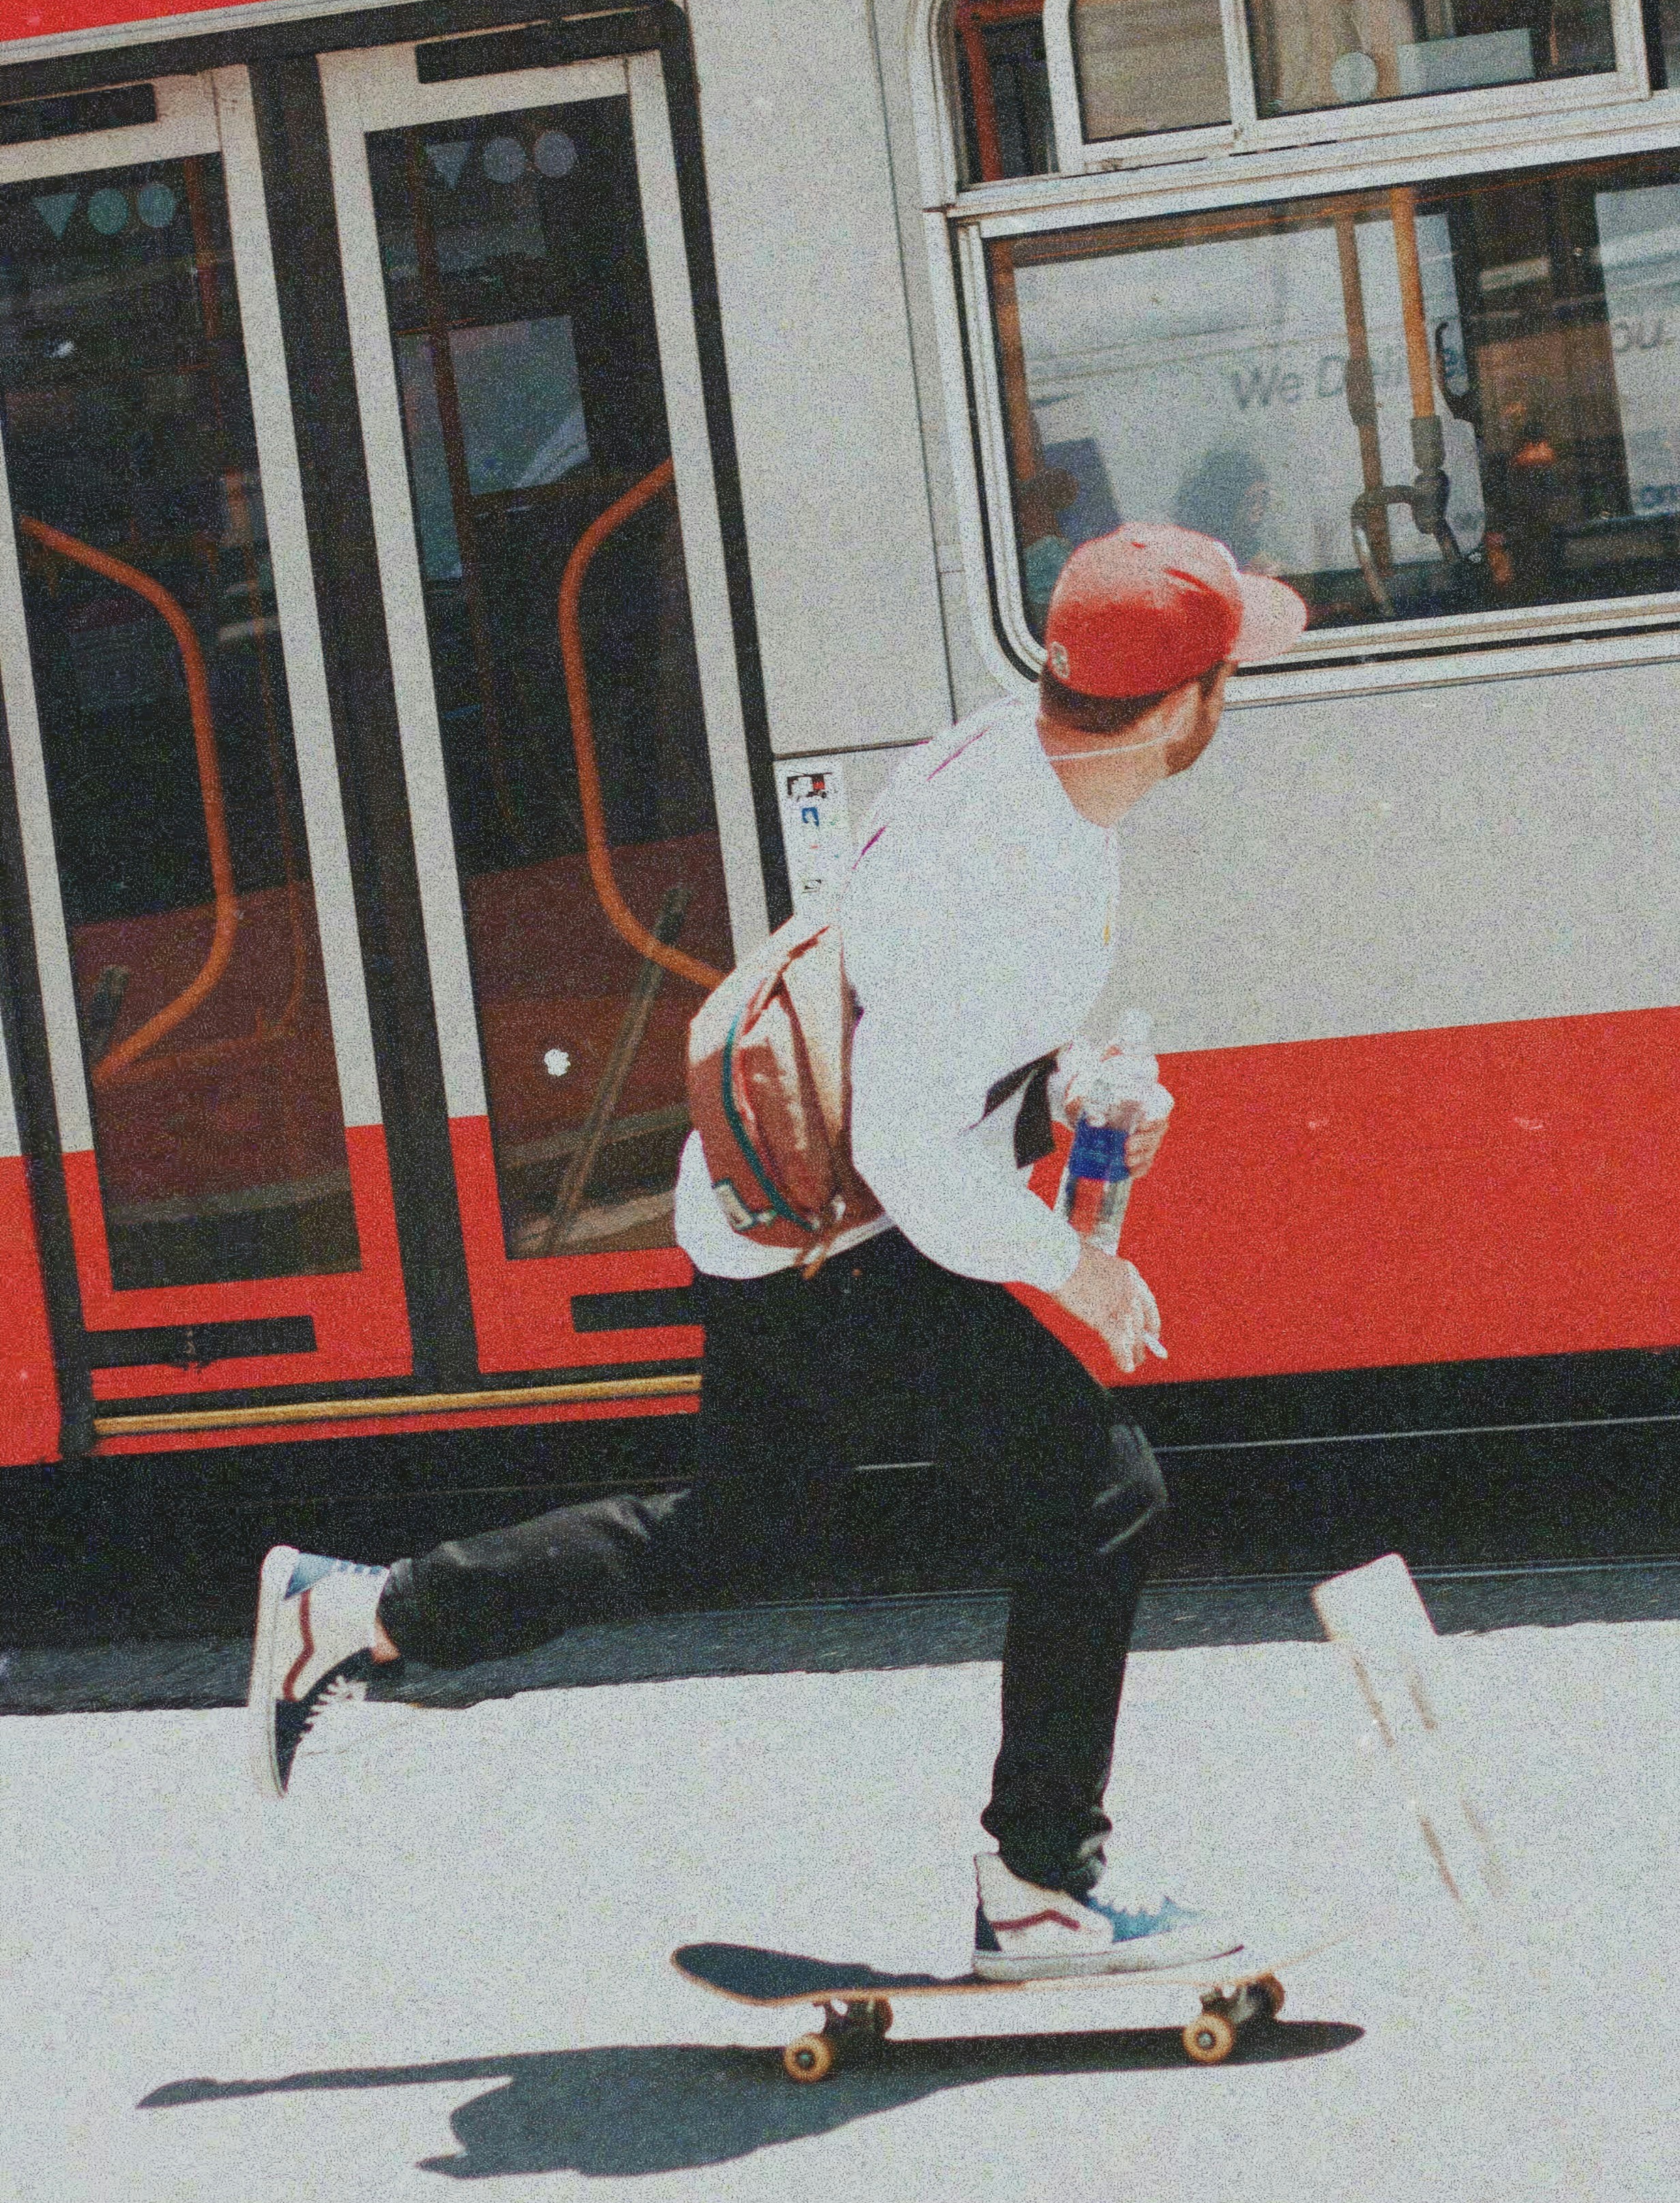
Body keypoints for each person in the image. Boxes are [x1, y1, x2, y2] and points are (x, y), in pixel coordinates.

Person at [246, 523, 1308, 1980]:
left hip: (764, 1217)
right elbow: (919, 1155)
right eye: (1229, 673)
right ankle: (1042, 1888)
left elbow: (911, 1041)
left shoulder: (999, 755)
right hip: (843, 1243)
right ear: (1187, 704)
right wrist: (1077, 1265)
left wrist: (1068, 1096)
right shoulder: (1028, 861)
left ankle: (352, 1614)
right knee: (1101, 1498)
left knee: (743, 1529)